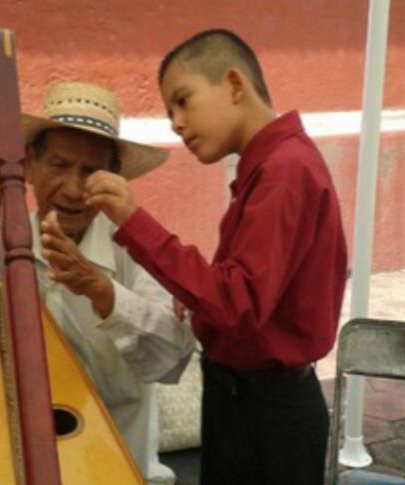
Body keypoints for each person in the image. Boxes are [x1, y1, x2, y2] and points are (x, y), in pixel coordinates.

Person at [0, 81, 196, 485]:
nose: (73, 189)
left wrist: (102, 292)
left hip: (115, 468)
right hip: (7, 463)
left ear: (112, 178)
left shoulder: (135, 251)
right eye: (58, 165)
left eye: (90, 171)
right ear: (30, 167)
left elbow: (172, 360)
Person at [84, 29, 348, 485]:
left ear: (234, 84)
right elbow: (246, 290)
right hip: (244, 401)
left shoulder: (284, 171)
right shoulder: (269, 168)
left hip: (267, 416)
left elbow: (236, 303)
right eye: (170, 112)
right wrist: (201, 295)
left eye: (183, 101)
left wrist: (132, 219)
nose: (176, 123)